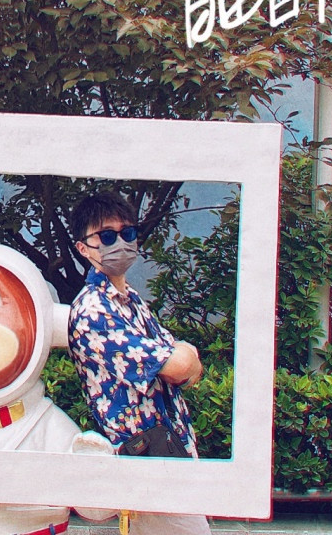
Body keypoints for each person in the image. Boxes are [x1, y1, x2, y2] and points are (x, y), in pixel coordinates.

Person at [67, 191, 211, 535]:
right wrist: (180, 360)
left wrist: (182, 360)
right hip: (145, 461)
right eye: (106, 236)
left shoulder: (131, 300)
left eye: (127, 233)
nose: (119, 243)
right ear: (83, 248)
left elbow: (187, 363)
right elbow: (178, 365)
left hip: (170, 454)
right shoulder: (93, 311)